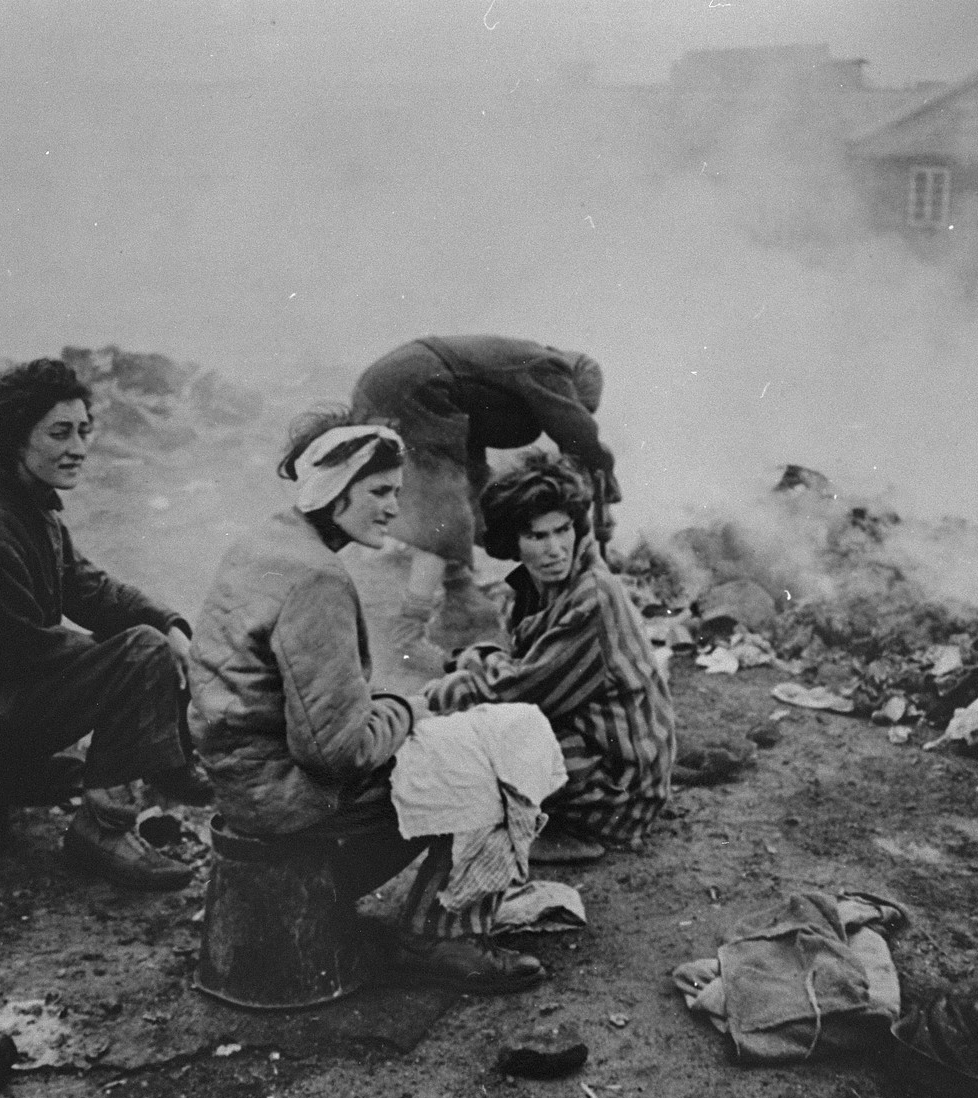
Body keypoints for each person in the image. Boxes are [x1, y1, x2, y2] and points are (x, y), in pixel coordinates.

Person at [186, 413, 546, 993]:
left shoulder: (265, 542)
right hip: (288, 801)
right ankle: (440, 937)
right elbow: (337, 755)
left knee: (437, 737)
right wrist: (407, 712)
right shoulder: (317, 579)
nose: (392, 510)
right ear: (332, 488)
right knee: (483, 764)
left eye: (396, 493)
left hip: (242, 781)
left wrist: (380, 706)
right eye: (379, 492)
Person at [0, 358, 211, 888]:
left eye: (84, 431)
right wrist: (140, 659)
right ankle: (102, 831)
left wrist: (169, 622)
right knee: (142, 654)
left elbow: (87, 587)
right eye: (59, 433)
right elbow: (30, 652)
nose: (78, 447)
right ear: (18, 439)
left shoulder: (27, 504)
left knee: (149, 642)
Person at [423, 456, 675, 864]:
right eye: (537, 537)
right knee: (479, 704)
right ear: (512, 541)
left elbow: (523, 691)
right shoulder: (531, 588)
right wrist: (475, 664)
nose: (555, 549)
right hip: (592, 751)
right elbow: (519, 665)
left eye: (563, 531)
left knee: (489, 732)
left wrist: (435, 698)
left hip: (621, 794)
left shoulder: (594, 595)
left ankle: (578, 831)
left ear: (578, 528)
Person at [349, 335, 621, 672]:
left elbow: (472, 467)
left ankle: (460, 602)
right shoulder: (549, 367)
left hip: (398, 388)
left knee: (464, 505)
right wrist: (601, 476)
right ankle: (409, 634)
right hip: (415, 387)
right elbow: (579, 433)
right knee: (444, 514)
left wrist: (495, 517)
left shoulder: (493, 380)